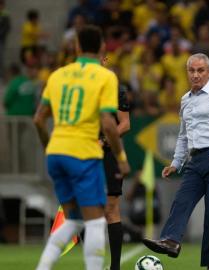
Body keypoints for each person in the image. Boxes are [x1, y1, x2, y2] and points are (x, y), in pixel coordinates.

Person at [33, 25, 130, 270]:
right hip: (84, 154)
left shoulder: (57, 75)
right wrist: (120, 155)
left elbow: (38, 119)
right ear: (101, 48)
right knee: (95, 221)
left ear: (76, 47)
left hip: (56, 154)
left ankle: (42, 267)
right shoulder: (105, 77)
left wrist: (48, 146)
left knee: (74, 221)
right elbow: (108, 123)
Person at [142, 53, 209, 269]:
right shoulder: (185, 100)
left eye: (201, 70)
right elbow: (183, 135)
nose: (196, 75)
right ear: (187, 73)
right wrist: (176, 163)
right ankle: (171, 241)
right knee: (181, 200)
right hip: (196, 159)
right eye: (192, 70)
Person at [101, 82, 130, 270]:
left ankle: (115, 267)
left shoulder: (116, 89)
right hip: (84, 153)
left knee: (111, 208)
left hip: (108, 154)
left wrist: (103, 141)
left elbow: (125, 124)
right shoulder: (80, 84)